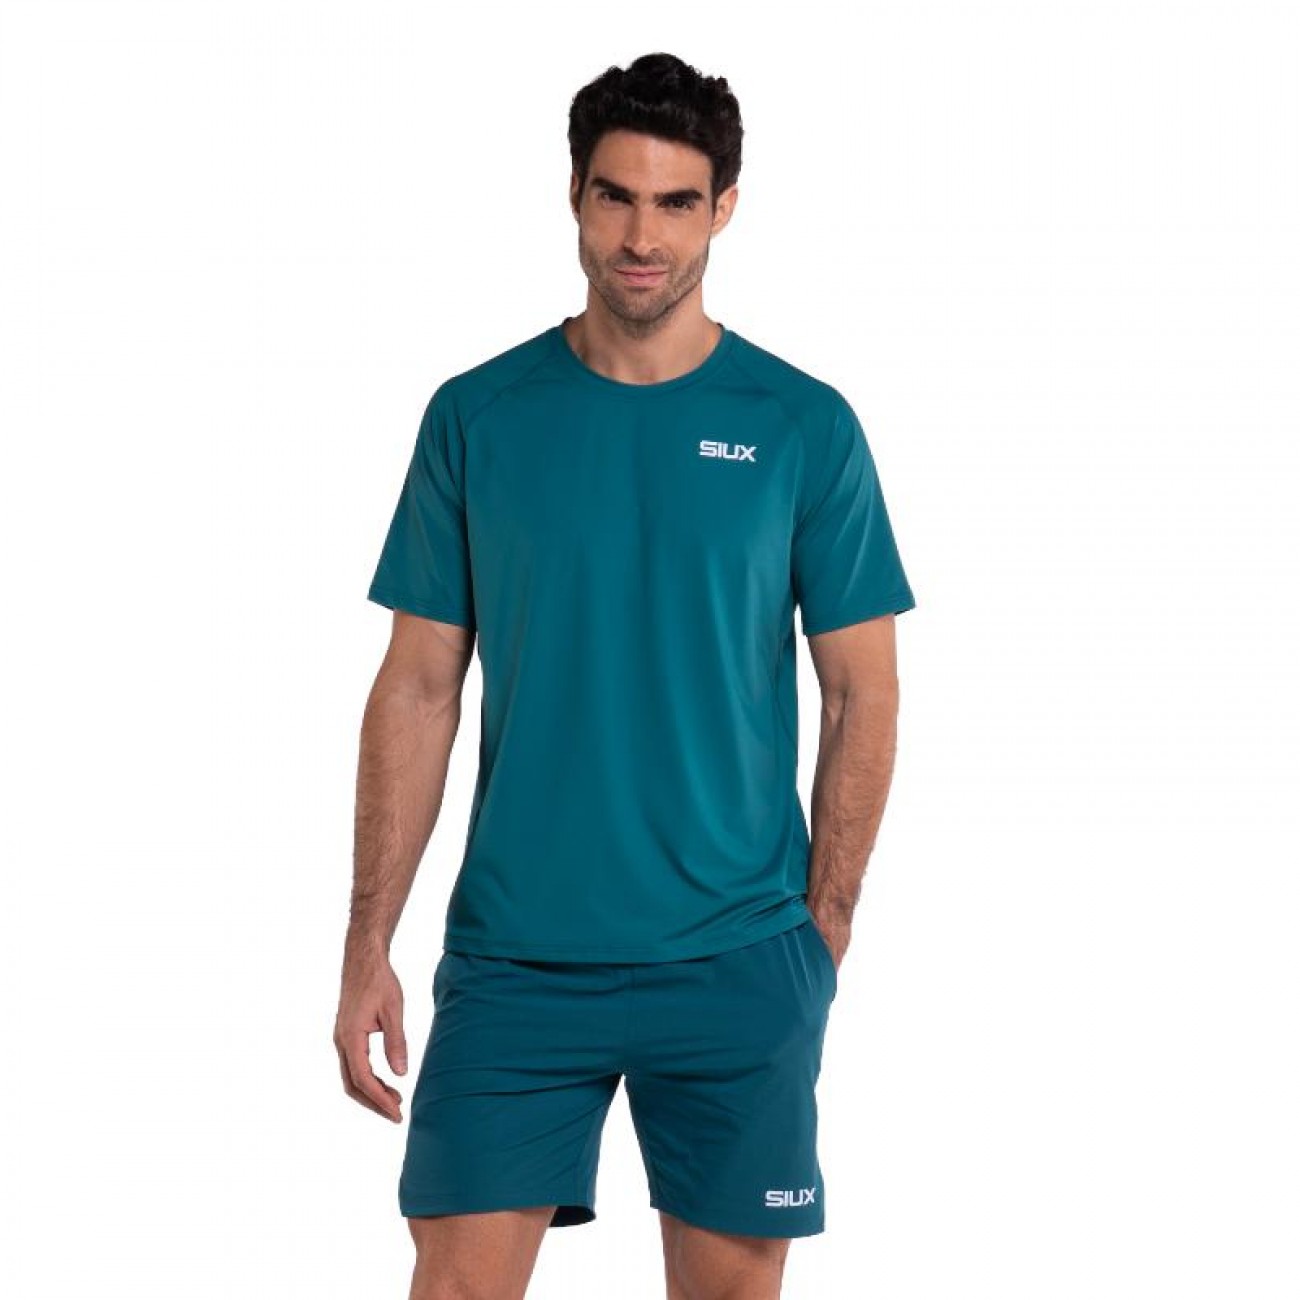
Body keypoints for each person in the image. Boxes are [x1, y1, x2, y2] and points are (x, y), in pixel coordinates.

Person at [334, 51, 916, 1300]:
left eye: (674, 202)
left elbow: (862, 691)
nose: (641, 237)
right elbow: (419, 686)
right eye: (616, 197)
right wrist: (366, 941)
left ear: (723, 208)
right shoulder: (477, 416)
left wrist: (822, 933)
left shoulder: (801, 425)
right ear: (575, 196)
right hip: (516, 962)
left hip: (738, 960)